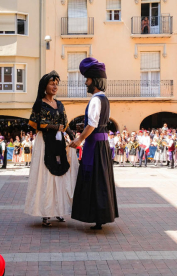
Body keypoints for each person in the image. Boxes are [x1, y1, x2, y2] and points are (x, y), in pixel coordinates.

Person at [24, 70, 78, 227]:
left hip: (59, 143)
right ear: (44, 86)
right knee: (45, 176)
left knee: (59, 176)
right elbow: (37, 124)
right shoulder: (39, 104)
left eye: (56, 84)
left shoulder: (60, 105)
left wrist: (73, 136)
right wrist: (56, 127)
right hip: (45, 142)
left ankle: (58, 210)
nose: (55, 86)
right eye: (52, 83)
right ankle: (45, 213)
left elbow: (65, 124)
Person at [70, 57, 119, 230]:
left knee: (93, 179)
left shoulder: (95, 101)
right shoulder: (105, 100)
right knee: (102, 180)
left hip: (94, 147)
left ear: (95, 81)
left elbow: (92, 124)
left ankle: (95, 215)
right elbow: (100, 124)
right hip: (103, 146)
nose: (86, 83)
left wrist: (79, 139)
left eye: (88, 80)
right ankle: (101, 217)